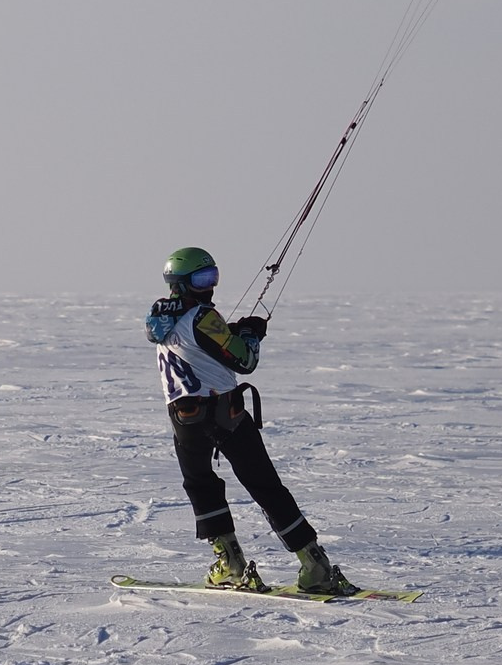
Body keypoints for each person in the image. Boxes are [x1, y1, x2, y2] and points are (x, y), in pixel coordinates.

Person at [146, 246, 358, 594]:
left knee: (201, 484)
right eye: (201, 279)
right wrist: (251, 334)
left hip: (185, 418)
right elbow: (243, 361)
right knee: (265, 486)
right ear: (181, 283)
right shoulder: (204, 317)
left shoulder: (162, 317)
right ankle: (314, 565)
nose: (209, 287)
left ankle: (230, 563)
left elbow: (196, 345)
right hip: (225, 413)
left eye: (212, 277)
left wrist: (231, 330)